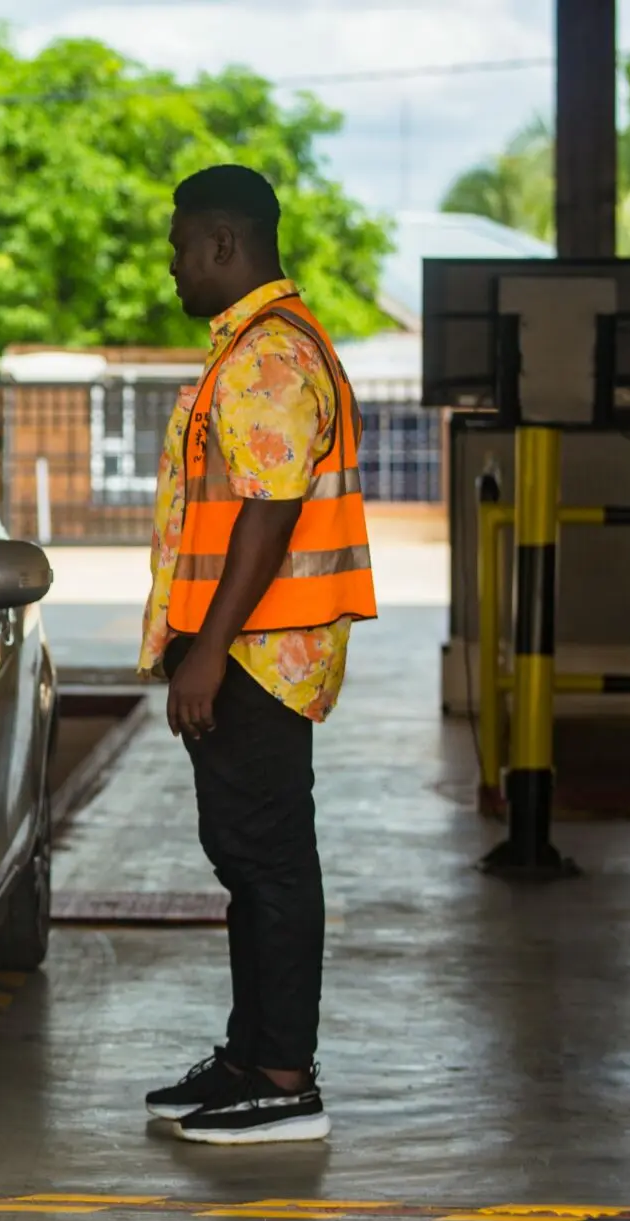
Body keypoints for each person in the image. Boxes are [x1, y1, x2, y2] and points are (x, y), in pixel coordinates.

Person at [137, 166, 377, 1145]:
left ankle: (282, 1076)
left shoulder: (271, 357)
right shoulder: (256, 346)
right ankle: (251, 1055)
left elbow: (270, 516)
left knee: (269, 860)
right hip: (248, 650)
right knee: (248, 856)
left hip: (259, 657)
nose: (173, 269)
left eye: (179, 248)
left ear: (224, 244)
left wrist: (208, 653)